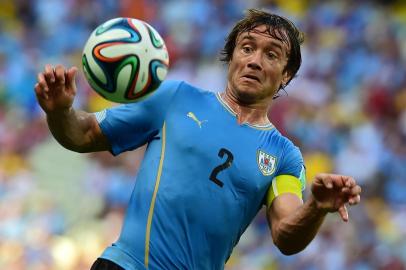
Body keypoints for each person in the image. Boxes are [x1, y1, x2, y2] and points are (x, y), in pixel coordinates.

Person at [34, 9, 361, 270]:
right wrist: (60, 111)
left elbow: (286, 236)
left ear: (286, 74)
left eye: (271, 55)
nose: (254, 60)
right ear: (232, 56)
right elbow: (84, 134)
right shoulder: (175, 97)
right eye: (246, 48)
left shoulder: (285, 157)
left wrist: (316, 207)